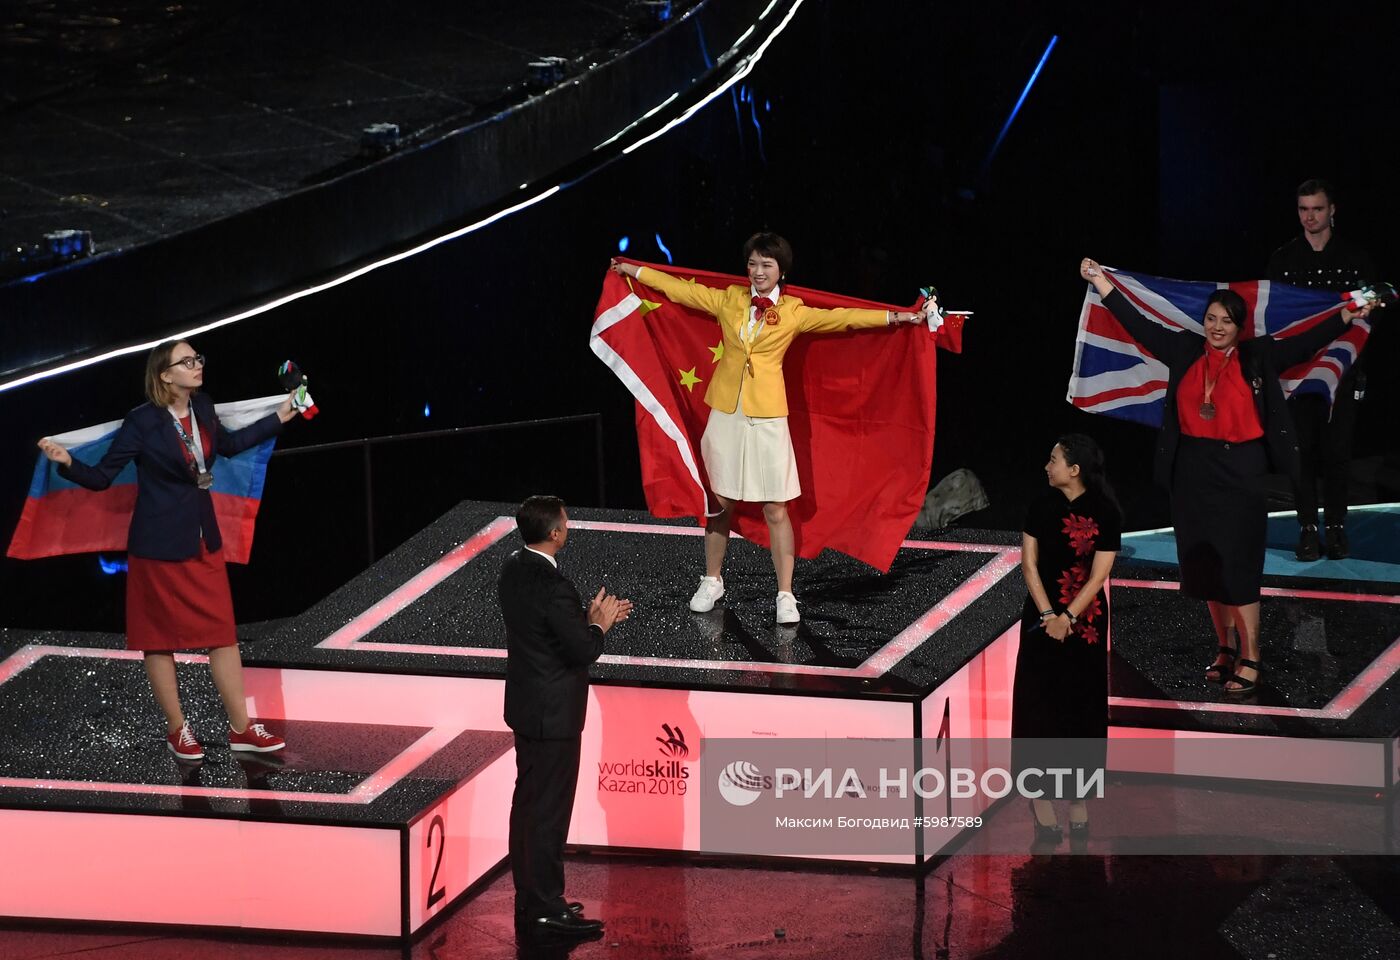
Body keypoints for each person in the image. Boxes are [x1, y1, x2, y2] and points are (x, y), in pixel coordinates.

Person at [610, 233, 932, 624]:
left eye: (766, 265)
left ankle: (785, 594)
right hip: (726, 413)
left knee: (776, 509)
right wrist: (632, 269)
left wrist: (900, 317)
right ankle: (712, 580)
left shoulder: (794, 310)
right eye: (752, 264)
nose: (757, 272)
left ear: (781, 271)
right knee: (720, 504)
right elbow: (678, 290)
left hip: (768, 418)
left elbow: (845, 318)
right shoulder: (729, 298)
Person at [1080, 258, 1366, 694]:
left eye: (1226, 321)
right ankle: (1224, 647)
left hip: (1241, 470)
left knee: (1238, 565)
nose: (1216, 327)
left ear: (1239, 326)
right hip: (1192, 468)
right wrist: (1101, 282)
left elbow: (1307, 342)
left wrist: (1346, 315)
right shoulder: (1184, 348)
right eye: (1211, 319)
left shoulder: (1258, 355)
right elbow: (1137, 324)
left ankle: (1252, 655)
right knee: (1205, 566)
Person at [36, 340, 297, 760]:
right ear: (165, 375)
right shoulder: (141, 422)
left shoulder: (204, 407)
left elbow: (229, 446)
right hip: (157, 546)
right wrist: (67, 462)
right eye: (187, 362)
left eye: (198, 359)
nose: (197, 366)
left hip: (202, 540)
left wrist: (282, 414)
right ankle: (178, 730)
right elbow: (103, 477)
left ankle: (241, 729)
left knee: (223, 636)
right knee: (158, 642)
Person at [498, 495, 631, 936]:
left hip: (527, 709)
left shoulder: (514, 567)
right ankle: (544, 907)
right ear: (555, 533)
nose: (569, 526)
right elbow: (583, 650)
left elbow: (546, 629)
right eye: (566, 522)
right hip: (553, 717)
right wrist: (597, 625)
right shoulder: (555, 587)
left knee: (528, 808)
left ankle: (533, 900)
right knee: (548, 815)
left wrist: (582, 618)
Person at [1012, 435, 1120, 841]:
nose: (1047, 465)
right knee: (1039, 703)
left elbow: (1099, 575)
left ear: (1074, 469)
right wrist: (1048, 615)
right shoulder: (1040, 506)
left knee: (1082, 704)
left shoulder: (1107, 511)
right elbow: (1029, 565)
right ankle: (1039, 798)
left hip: (1085, 621)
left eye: (1053, 459)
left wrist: (1069, 616)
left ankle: (1078, 798)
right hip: (1041, 617)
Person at [1266, 178, 1378, 561]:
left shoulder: (1354, 258)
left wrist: (1374, 302)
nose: (1309, 216)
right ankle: (1307, 528)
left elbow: (1375, 299)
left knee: (1337, 452)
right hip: (1296, 373)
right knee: (1302, 452)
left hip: (1341, 373)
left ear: (1332, 210)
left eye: (1316, 208)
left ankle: (1336, 526)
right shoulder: (1283, 260)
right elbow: (1272, 315)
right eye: (1303, 209)